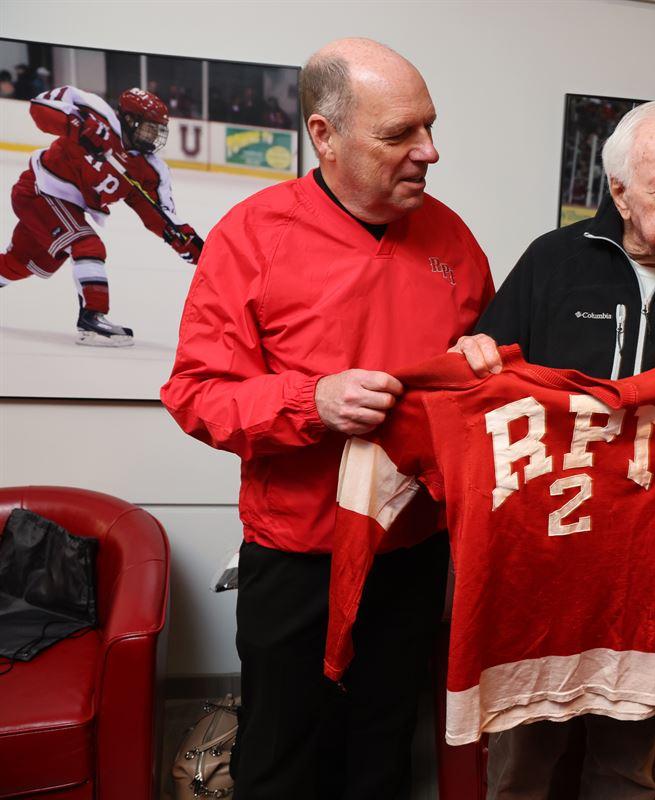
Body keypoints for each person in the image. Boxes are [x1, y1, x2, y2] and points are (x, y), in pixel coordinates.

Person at [160, 38, 494, 798]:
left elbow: (483, 383)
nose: (430, 152)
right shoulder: (253, 236)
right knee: (283, 750)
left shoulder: (453, 240)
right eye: (399, 134)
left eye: (430, 127)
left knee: (381, 748)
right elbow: (194, 393)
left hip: (409, 548)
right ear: (324, 135)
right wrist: (310, 402)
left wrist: (484, 366)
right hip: (298, 552)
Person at [455, 100, 655, 800]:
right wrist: (469, 358)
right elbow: (484, 386)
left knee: (626, 772)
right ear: (620, 192)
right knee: (520, 771)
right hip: (550, 562)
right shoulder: (553, 260)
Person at [0, 85, 201, 345]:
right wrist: (76, 124)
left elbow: (159, 215)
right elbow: (39, 107)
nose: (154, 137)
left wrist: (187, 242)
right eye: (149, 128)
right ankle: (92, 319)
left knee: (20, 264)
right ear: (130, 120)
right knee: (87, 244)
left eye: (158, 130)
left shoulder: (149, 170)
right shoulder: (94, 111)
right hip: (40, 191)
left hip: (67, 209)